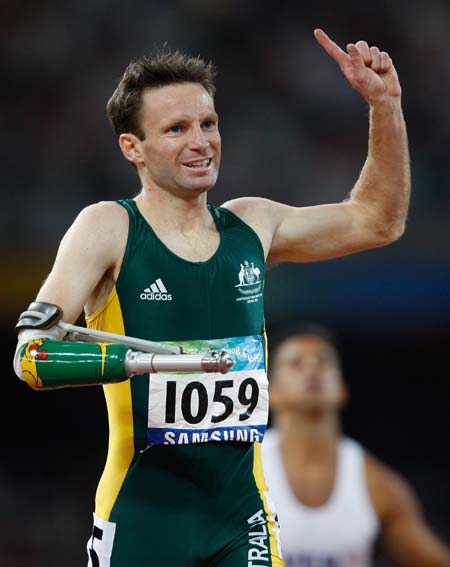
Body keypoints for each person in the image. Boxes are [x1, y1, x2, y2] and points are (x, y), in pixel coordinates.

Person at [13, 28, 410, 567]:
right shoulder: (108, 228)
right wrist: (149, 362)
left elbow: (379, 220)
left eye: (208, 123)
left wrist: (384, 107)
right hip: (143, 518)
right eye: (176, 129)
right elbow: (31, 356)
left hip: (241, 516)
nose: (201, 142)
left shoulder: (254, 224)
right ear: (133, 147)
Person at [262, 325, 450, 567]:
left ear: (342, 389)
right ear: (272, 391)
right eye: (296, 363)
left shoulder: (377, 485)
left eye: (324, 362)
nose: (312, 369)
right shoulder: (245, 471)